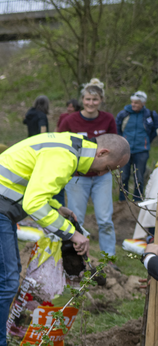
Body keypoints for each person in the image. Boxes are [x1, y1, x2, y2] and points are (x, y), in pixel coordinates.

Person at [0, 132, 129, 346]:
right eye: (108, 168)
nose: (104, 174)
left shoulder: (71, 147)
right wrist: (72, 234)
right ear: (102, 153)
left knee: (10, 277)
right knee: (7, 281)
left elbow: (35, 184)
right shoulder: (65, 157)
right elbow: (33, 203)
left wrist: (56, 207)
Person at [56, 78, 118, 259]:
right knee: (77, 219)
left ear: (101, 100)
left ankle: (109, 258)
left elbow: (115, 145)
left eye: (95, 99)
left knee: (105, 220)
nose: (91, 103)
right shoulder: (69, 121)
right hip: (77, 177)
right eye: (88, 99)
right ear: (82, 100)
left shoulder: (108, 119)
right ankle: (76, 259)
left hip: (102, 176)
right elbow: (58, 146)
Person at [116, 90, 158, 203]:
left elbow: (154, 131)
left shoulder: (150, 115)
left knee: (139, 176)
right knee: (124, 175)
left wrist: (146, 141)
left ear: (143, 103)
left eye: (137, 103)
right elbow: (117, 129)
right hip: (125, 150)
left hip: (142, 150)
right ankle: (122, 200)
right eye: (132, 102)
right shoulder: (124, 114)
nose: (133, 104)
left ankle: (137, 199)